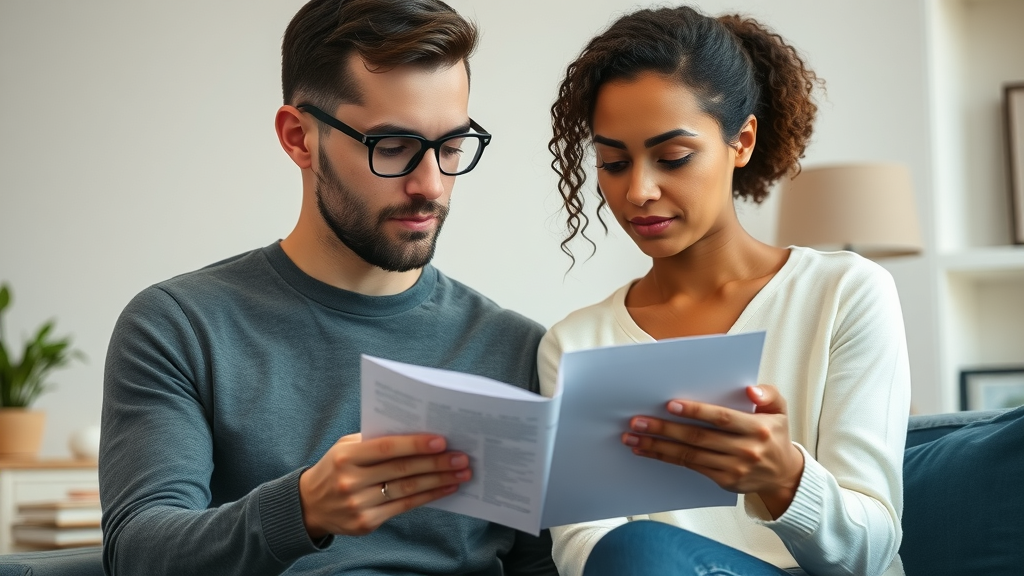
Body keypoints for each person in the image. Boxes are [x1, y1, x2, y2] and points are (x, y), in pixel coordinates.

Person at [98, 1, 557, 574]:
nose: (431, 185)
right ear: (299, 138)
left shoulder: (517, 350)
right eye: (393, 147)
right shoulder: (181, 327)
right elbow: (138, 553)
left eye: (451, 147)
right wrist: (303, 509)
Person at [540, 6, 910, 576]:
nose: (638, 191)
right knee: (635, 551)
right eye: (613, 162)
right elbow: (585, 550)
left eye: (672, 158)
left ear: (742, 142)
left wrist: (784, 478)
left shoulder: (845, 294)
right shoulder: (576, 343)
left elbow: (871, 553)